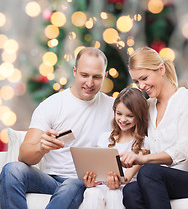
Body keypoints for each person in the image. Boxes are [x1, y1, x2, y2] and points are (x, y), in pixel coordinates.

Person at [0, 47, 114, 209]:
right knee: (12, 170)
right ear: (75, 71)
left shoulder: (115, 108)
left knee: (69, 186)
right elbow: (24, 155)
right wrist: (41, 147)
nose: (89, 83)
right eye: (84, 75)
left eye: (97, 77)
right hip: (51, 179)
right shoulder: (52, 105)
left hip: (82, 181)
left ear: (105, 76)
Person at [120, 47, 188, 209]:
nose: (141, 86)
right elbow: (145, 149)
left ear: (161, 69)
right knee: (131, 190)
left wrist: (144, 160)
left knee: (149, 171)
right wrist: (125, 177)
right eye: (136, 82)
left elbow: (184, 150)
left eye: (144, 78)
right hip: (166, 179)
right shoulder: (148, 107)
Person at [81, 87, 150, 209]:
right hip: (103, 186)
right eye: (119, 114)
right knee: (92, 192)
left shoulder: (143, 142)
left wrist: (115, 182)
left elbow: (127, 177)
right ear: (114, 112)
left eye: (129, 115)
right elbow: (97, 169)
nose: (123, 119)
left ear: (139, 116)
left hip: (124, 188)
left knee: (114, 194)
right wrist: (90, 180)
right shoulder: (105, 138)